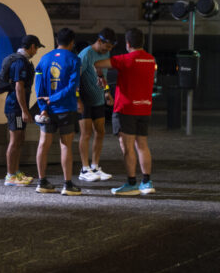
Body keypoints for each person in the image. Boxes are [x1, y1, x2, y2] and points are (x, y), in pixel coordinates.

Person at [95, 28, 156, 196]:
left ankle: (131, 183)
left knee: (128, 148)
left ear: (128, 44)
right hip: (144, 108)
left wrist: (99, 67)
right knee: (142, 145)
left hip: (126, 109)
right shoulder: (151, 59)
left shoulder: (125, 59)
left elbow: (98, 64)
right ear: (142, 42)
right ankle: (147, 182)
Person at [33, 27, 84, 196]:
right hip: (65, 109)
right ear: (72, 43)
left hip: (47, 111)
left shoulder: (44, 59)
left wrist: (44, 107)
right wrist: (54, 99)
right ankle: (67, 184)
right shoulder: (74, 60)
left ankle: (41, 182)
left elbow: (39, 85)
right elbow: (72, 87)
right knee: (66, 146)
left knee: (43, 144)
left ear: (57, 41)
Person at [3, 34, 44, 186]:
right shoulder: (20, 62)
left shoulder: (22, 60)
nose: (37, 51)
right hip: (15, 108)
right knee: (15, 140)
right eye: (37, 47)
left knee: (20, 139)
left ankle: (15, 171)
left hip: (17, 107)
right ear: (32, 46)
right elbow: (19, 87)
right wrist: (24, 111)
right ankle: (10, 175)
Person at [77, 28, 117, 183]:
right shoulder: (86, 54)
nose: (108, 50)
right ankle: (84, 169)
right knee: (86, 133)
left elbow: (103, 75)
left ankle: (95, 166)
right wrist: (77, 98)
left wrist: (107, 92)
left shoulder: (104, 53)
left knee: (100, 131)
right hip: (85, 99)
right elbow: (75, 77)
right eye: (107, 47)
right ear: (99, 41)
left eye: (111, 48)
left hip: (98, 99)